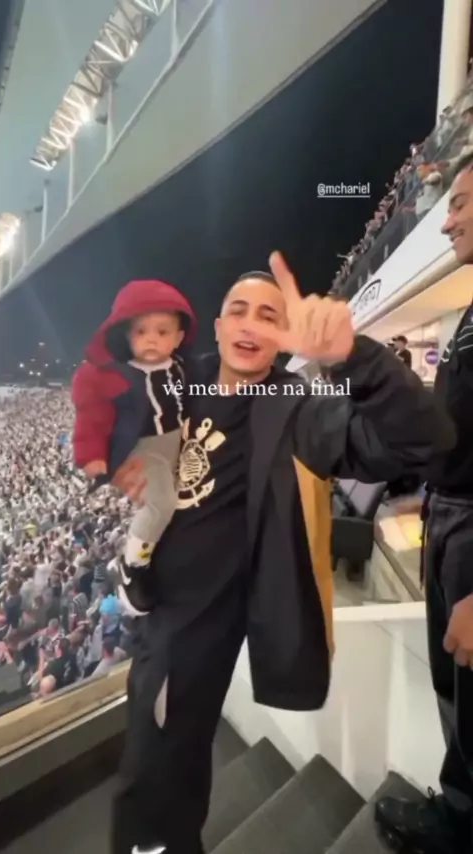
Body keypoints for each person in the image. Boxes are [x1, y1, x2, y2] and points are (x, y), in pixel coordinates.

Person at [111, 252, 454, 854]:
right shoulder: (176, 384)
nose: (251, 324)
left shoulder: (298, 409)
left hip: (213, 616)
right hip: (158, 603)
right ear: (218, 327)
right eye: (238, 312)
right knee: (161, 758)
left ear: (283, 334)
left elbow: (426, 440)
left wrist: (356, 356)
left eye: (269, 316)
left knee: (163, 761)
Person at [375, 152, 473, 853]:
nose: (447, 222)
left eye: (460, 203)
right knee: (453, 686)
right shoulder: (468, 312)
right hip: (449, 513)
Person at [72, 279, 196, 613]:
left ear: (179, 337)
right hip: (145, 449)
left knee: (185, 498)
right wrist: (92, 456)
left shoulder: (182, 367)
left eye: (162, 331)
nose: (151, 339)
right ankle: (133, 565)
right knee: (160, 503)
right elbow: (93, 416)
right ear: (127, 336)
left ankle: (161, 552)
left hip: (179, 443)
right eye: (141, 331)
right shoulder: (120, 376)